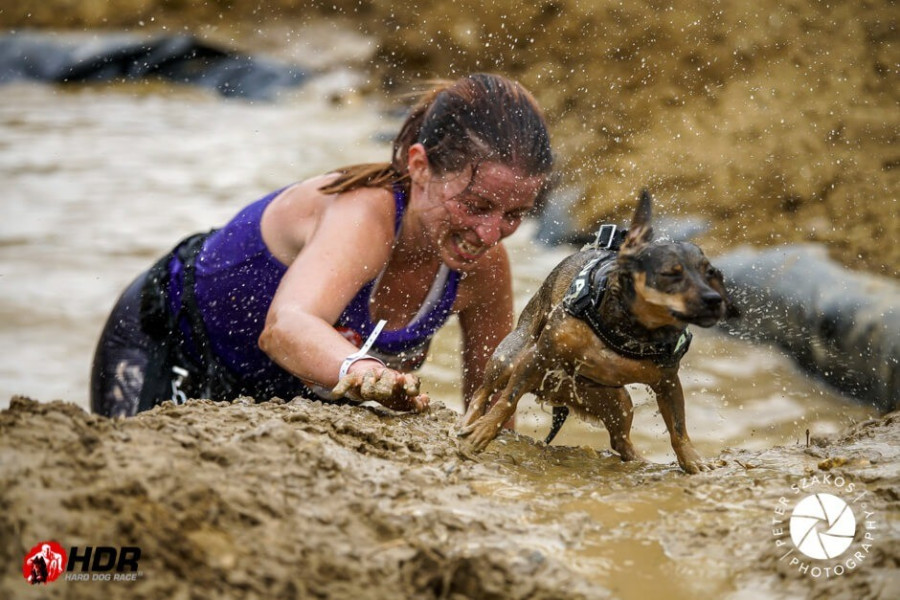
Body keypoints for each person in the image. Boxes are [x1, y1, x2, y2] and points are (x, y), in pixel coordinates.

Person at [90, 73, 554, 418]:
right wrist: (366, 373)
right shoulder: (364, 216)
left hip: (271, 395)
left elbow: (490, 404)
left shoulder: (485, 270)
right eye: (476, 205)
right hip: (171, 339)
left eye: (514, 214)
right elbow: (285, 328)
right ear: (419, 167)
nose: (491, 234)